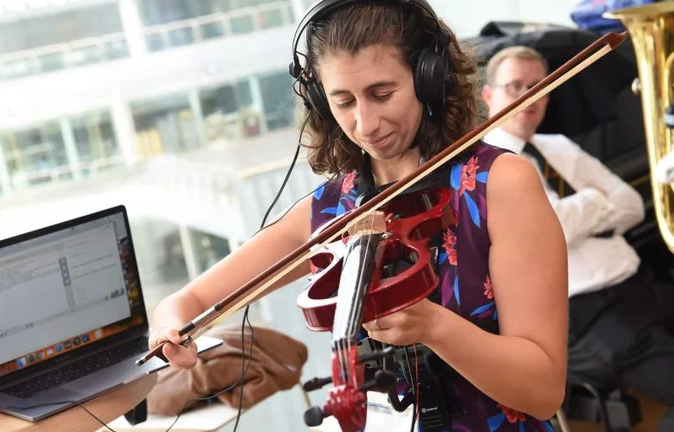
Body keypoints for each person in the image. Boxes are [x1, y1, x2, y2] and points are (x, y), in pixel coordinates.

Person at [149, 2, 568, 430]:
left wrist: (435, 326)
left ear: (428, 78)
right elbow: (188, 302)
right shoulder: (331, 209)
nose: (365, 124)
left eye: (382, 94)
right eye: (343, 101)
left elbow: (543, 391)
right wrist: (171, 329)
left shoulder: (499, 184)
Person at [482, 45, 674, 431]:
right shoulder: (486, 167)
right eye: (515, 86)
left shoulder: (558, 146)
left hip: (640, 293)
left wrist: (574, 215)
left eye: (537, 87)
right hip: (587, 319)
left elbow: (632, 204)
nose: (527, 97)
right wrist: (594, 204)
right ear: (488, 95)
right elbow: (551, 230)